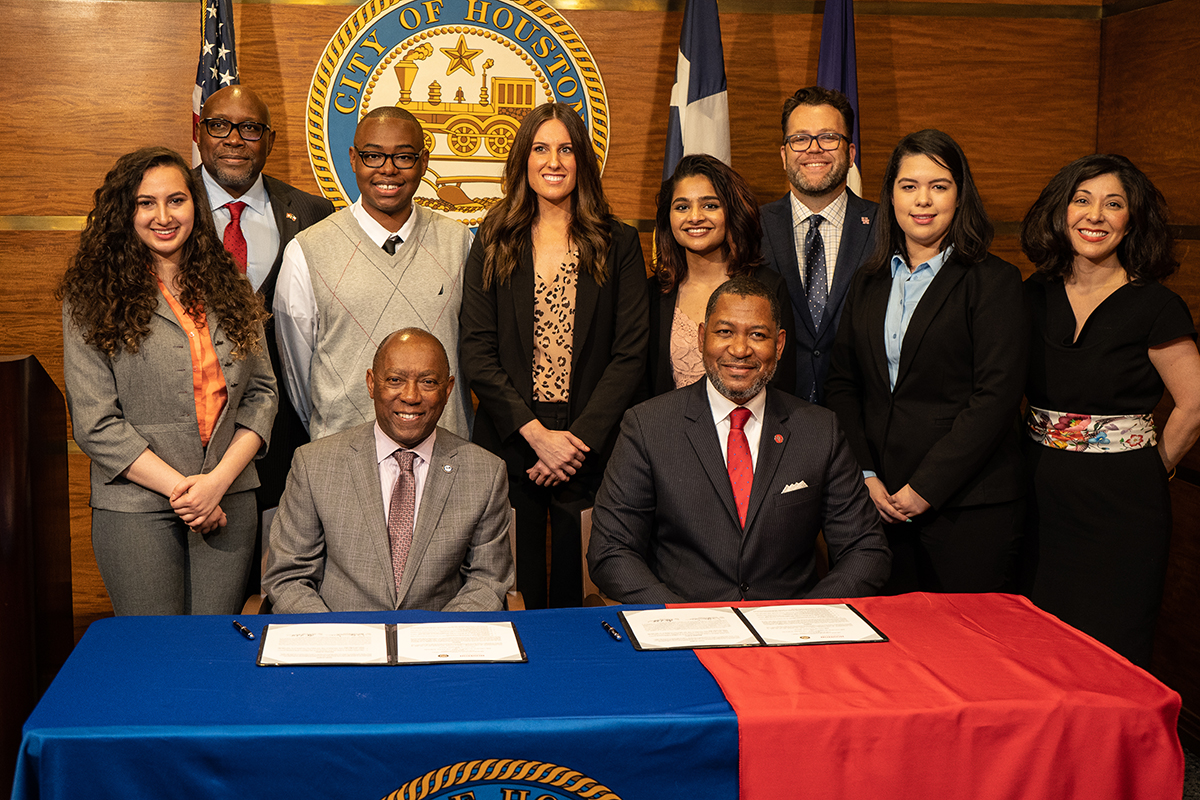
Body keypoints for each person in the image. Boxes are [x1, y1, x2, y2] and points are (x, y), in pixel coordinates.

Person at [59, 146, 277, 615]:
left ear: (195, 205)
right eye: (145, 203)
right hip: (136, 506)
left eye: (176, 200)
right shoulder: (89, 296)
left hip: (228, 498)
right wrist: (189, 492)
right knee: (154, 654)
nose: (163, 216)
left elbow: (262, 394)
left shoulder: (232, 284)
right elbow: (95, 422)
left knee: (212, 652)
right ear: (125, 211)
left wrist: (215, 484)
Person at [588, 277, 889, 603]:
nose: (740, 349)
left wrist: (810, 614)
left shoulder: (818, 430)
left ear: (780, 344)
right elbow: (610, 549)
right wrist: (679, 615)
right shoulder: (648, 427)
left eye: (757, 335)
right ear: (702, 337)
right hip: (685, 630)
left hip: (789, 633)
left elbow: (866, 548)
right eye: (724, 332)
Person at [459, 103, 649, 609]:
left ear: (583, 160)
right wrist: (537, 436)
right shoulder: (495, 239)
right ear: (523, 160)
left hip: (592, 437)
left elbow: (630, 354)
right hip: (512, 433)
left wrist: (576, 441)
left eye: (566, 149)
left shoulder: (620, 242)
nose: (554, 161)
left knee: (581, 585)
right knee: (509, 586)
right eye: (540, 149)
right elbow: (476, 350)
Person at [825, 129, 1027, 595]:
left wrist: (926, 488)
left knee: (967, 654)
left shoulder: (994, 282)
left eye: (939, 186)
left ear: (961, 196)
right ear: (890, 196)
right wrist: (866, 474)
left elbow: (995, 399)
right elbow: (843, 383)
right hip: (879, 505)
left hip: (968, 508)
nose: (923, 200)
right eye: (909, 186)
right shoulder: (869, 282)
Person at [1019, 154, 1200, 667]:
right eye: (1082, 200)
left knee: (1108, 652)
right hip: (1035, 492)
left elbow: (1195, 403)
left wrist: (1150, 467)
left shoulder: (1156, 305)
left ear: (1131, 220)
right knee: (1034, 644)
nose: (1095, 216)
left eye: (1113, 204)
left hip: (1123, 508)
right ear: (1061, 211)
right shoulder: (1031, 294)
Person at [263, 329, 513, 613]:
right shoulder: (314, 464)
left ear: (448, 389)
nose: (410, 396)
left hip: (437, 647)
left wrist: (435, 639)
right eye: (395, 380)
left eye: (428, 382)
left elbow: (487, 581)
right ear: (371, 384)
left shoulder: (485, 473)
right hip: (340, 643)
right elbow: (289, 577)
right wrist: (336, 638)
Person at [196, 84, 335, 587]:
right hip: (196, 439)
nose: (234, 139)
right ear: (199, 131)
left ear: (270, 140)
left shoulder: (315, 214)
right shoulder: (165, 205)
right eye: (219, 125)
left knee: (284, 581)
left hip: (286, 436)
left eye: (249, 128)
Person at [275, 107, 473, 442]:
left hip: (445, 457)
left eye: (404, 157)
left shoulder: (460, 243)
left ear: (424, 162)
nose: (388, 169)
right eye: (373, 156)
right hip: (343, 458)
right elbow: (298, 375)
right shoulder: (307, 250)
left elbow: (475, 353)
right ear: (353, 159)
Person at [760, 86, 878, 404]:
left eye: (828, 137)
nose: (814, 149)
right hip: (773, 416)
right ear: (784, 154)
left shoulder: (887, 226)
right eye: (800, 139)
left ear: (851, 153)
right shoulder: (751, 227)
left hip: (863, 420)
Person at [647, 153, 796, 397]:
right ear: (668, 217)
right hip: (668, 431)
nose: (695, 217)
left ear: (732, 212)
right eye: (682, 207)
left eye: (710, 205)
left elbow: (782, 383)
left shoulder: (769, 286)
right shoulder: (653, 293)